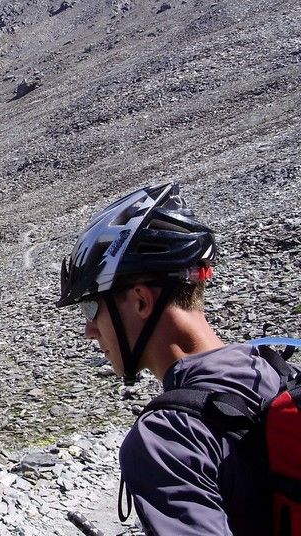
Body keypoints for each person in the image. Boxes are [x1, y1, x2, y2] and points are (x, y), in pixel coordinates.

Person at [56, 182, 291, 535]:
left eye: (91, 307)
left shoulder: (167, 439)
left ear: (140, 301)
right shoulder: (278, 372)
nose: (90, 330)